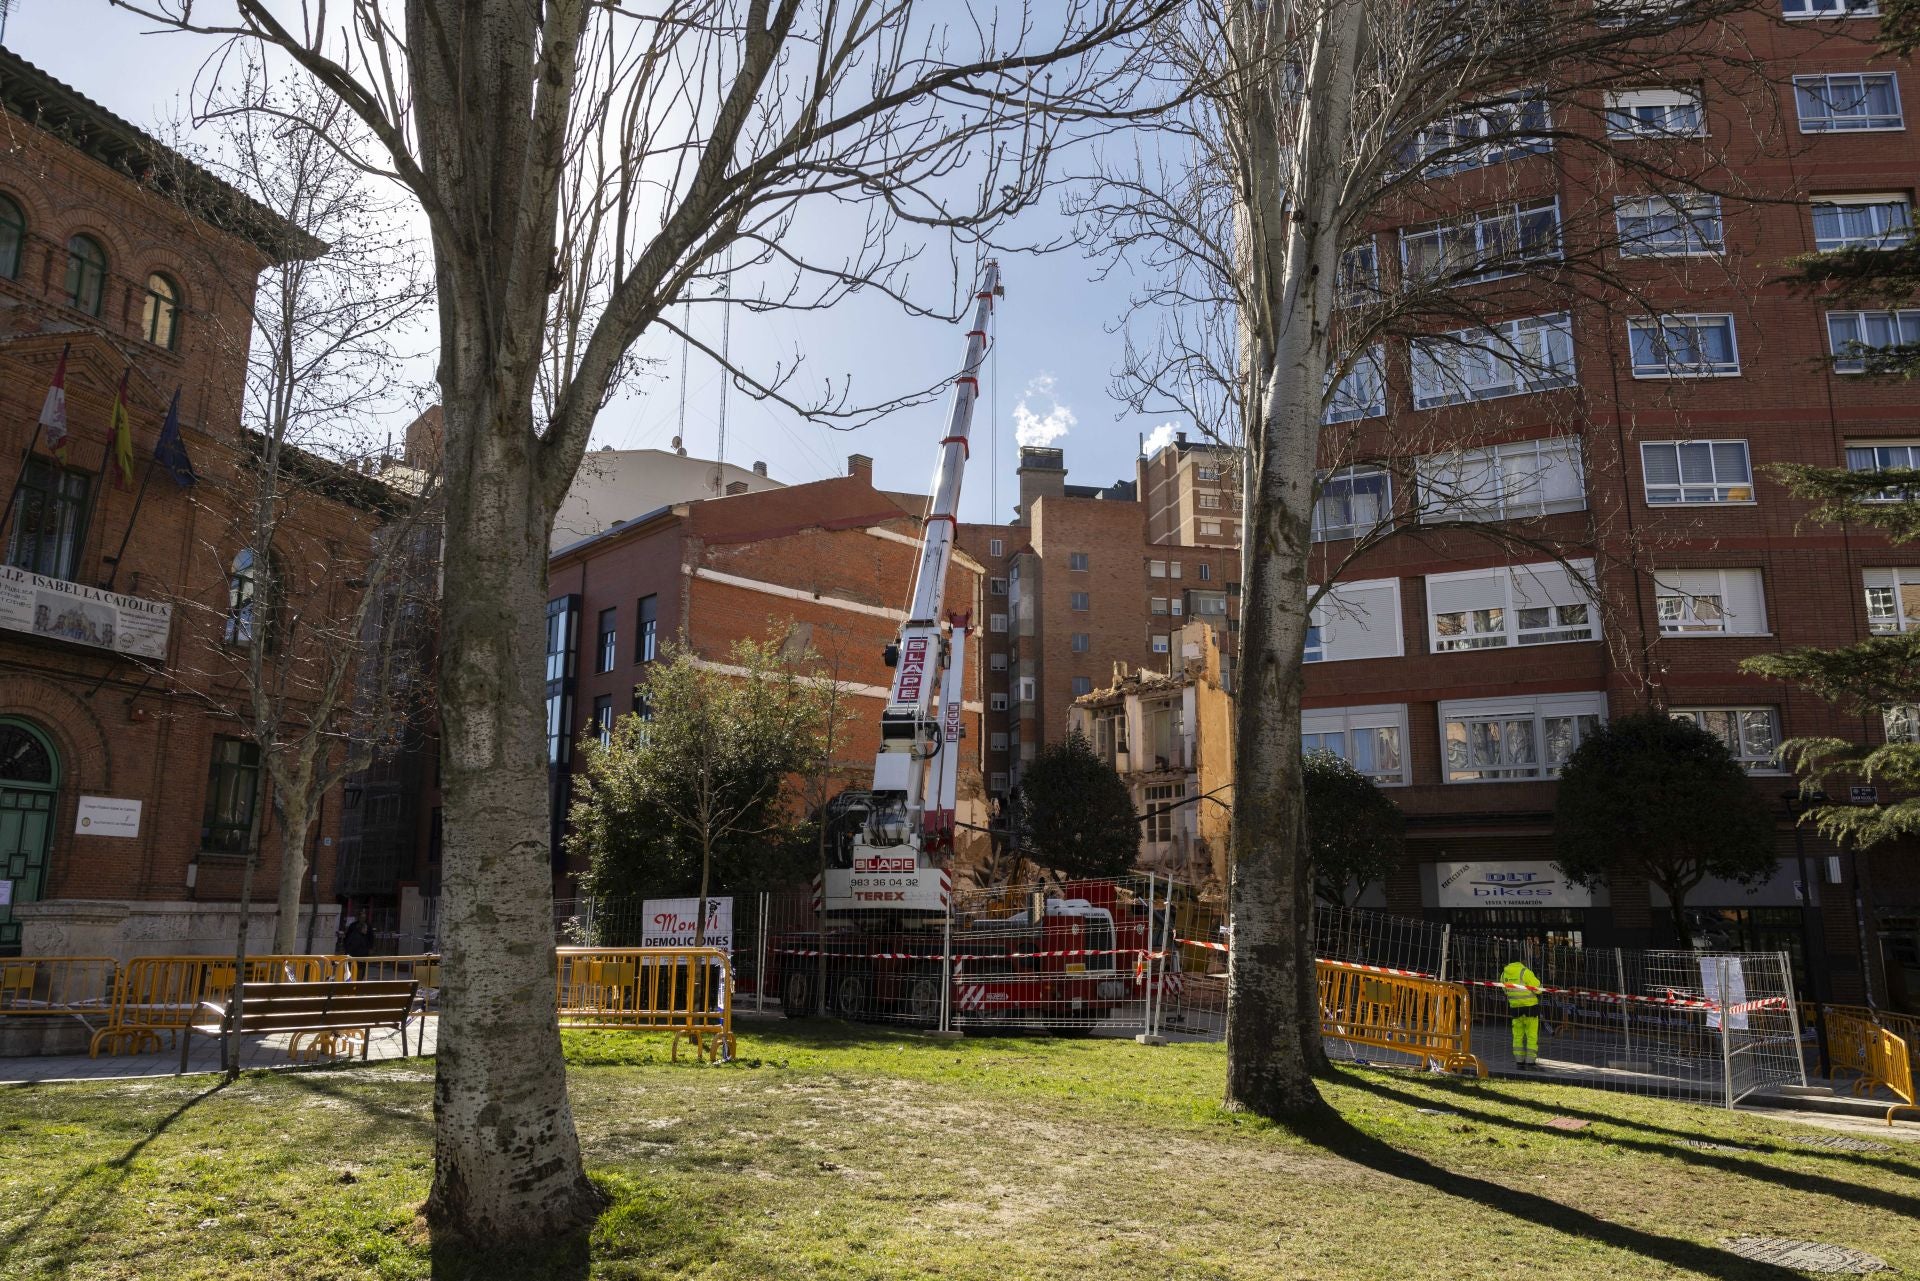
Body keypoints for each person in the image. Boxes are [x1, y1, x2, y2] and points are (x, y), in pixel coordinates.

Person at [1501, 957, 1544, 1069]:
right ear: (1522, 961)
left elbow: (1506, 991)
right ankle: (1530, 1063)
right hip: (1530, 1009)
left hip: (1515, 1009)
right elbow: (1538, 989)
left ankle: (1519, 1062)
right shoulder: (1525, 972)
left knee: (1517, 1036)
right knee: (1531, 1036)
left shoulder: (1503, 975)